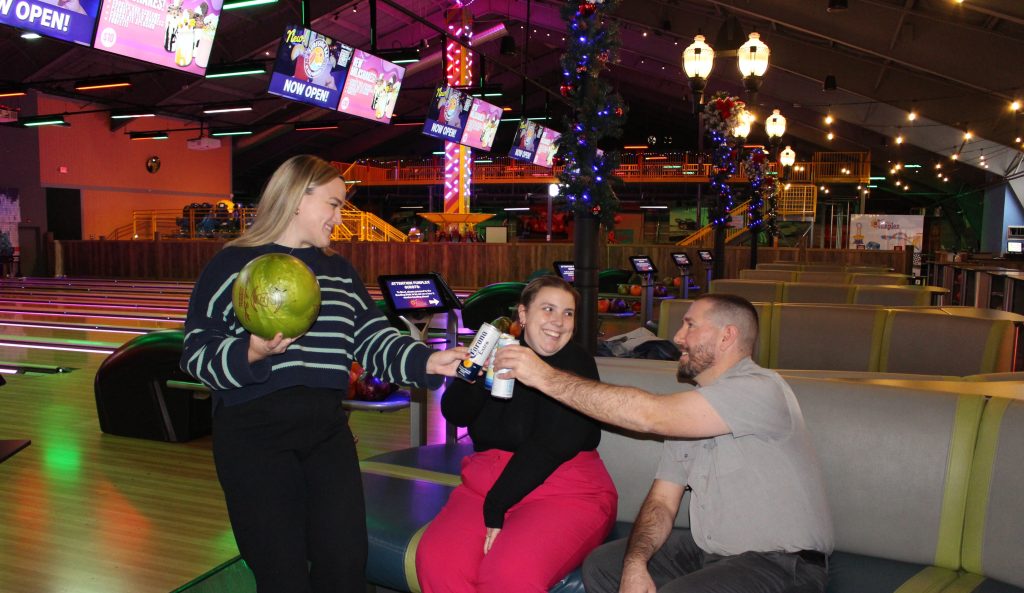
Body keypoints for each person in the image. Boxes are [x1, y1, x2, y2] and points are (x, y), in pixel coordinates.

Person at [180, 155, 468, 593]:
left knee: (346, 565)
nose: (340, 217)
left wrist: (426, 360)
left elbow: (372, 338)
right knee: (283, 575)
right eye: (333, 204)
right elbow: (195, 352)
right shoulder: (232, 266)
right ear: (297, 198)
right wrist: (250, 351)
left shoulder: (338, 271)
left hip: (325, 433)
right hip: (254, 435)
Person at [493, 293, 833, 593]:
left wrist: (542, 376)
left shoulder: (760, 388)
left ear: (727, 336)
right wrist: (635, 565)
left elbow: (647, 415)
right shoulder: (692, 411)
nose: (677, 337)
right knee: (605, 565)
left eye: (690, 325)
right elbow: (662, 503)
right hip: (711, 555)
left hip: (782, 565)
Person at [416, 276, 618, 593]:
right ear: (522, 315)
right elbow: (455, 414)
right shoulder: (503, 353)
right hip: (486, 483)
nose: (559, 322)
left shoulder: (576, 363)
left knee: (508, 576)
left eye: (568, 313)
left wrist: (496, 507)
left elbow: (552, 445)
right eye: (548, 309)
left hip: (565, 489)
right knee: (438, 563)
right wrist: (476, 373)